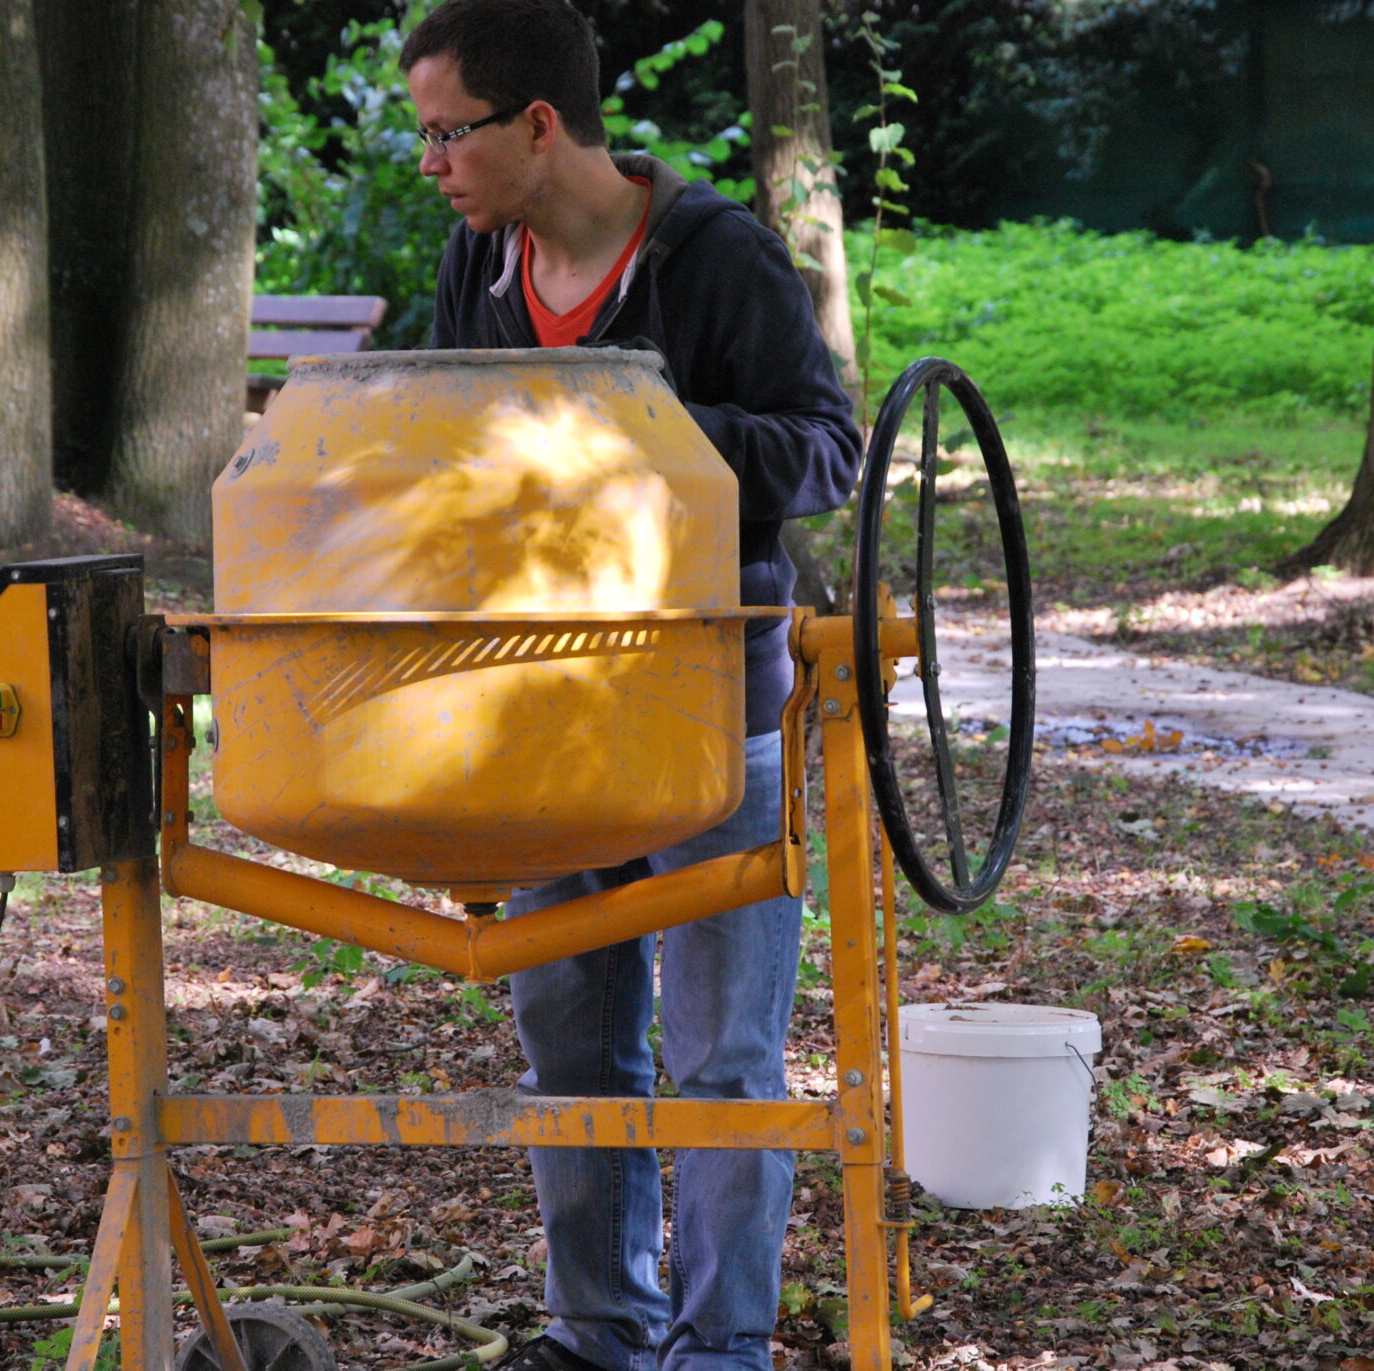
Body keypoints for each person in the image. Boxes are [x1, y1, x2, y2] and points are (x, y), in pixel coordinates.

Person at [399, 3, 863, 1371]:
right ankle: (600, 1332)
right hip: (541, 711)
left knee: (725, 1065)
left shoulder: (714, 255)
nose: (433, 162)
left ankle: (719, 1349)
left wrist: (636, 427)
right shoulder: (477, 266)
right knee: (572, 1047)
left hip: (707, 716)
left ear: (538, 125)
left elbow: (825, 453)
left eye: (448, 133)